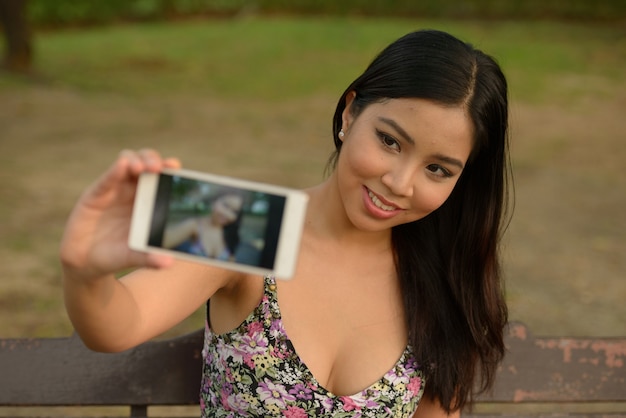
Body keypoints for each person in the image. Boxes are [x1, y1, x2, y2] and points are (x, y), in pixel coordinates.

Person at [60, 29, 511, 417]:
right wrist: (86, 271)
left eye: (438, 169)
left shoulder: (446, 278)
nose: (399, 182)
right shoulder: (246, 218)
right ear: (350, 112)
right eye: (390, 141)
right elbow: (117, 326)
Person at [163, 189, 245, 261]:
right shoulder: (194, 225)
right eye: (225, 205)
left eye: (234, 212)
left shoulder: (230, 234)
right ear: (214, 202)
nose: (228, 214)